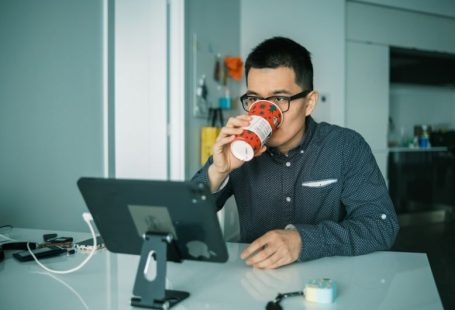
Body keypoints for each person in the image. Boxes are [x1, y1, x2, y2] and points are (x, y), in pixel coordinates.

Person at [192, 36, 399, 269]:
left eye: (279, 99)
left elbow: (382, 226)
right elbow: (185, 220)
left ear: (309, 103)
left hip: (329, 282)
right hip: (255, 279)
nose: (264, 114)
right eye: (254, 100)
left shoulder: (345, 146)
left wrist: (304, 241)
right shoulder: (240, 147)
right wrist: (219, 171)